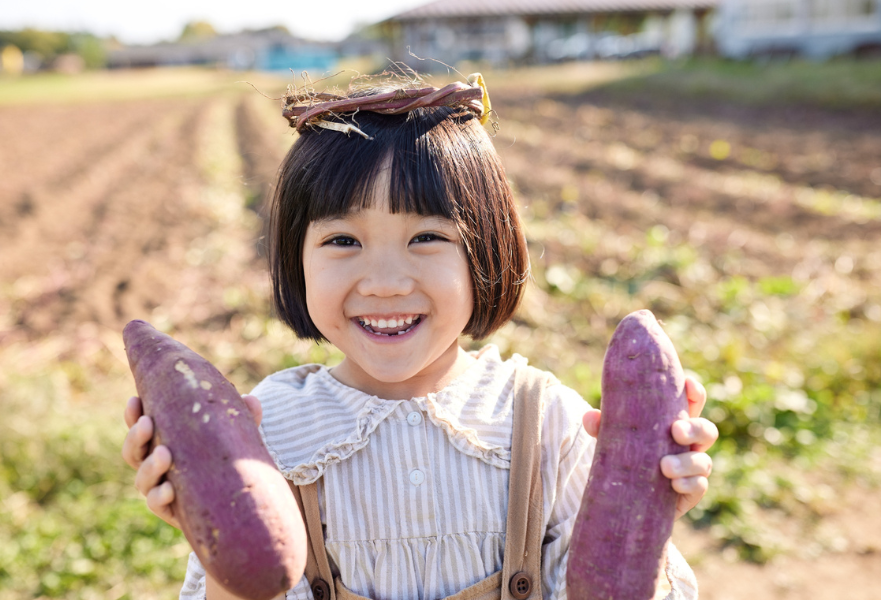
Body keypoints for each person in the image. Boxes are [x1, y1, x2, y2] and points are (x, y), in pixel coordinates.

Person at [121, 75, 718, 600]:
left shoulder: (545, 423)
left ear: (485, 253)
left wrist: (645, 518)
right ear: (294, 261)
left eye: (426, 238)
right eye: (343, 241)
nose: (384, 283)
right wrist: (220, 533)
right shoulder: (269, 435)